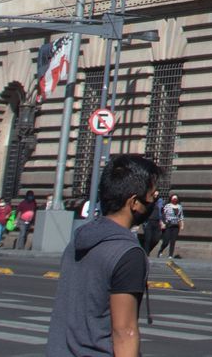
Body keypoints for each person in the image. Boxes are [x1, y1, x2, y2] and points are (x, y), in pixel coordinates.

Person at [46, 152, 160, 357]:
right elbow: (124, 331)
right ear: (134, 202)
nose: (154, 202)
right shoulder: (127, 254)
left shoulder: (79, 239)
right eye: (152, 197)